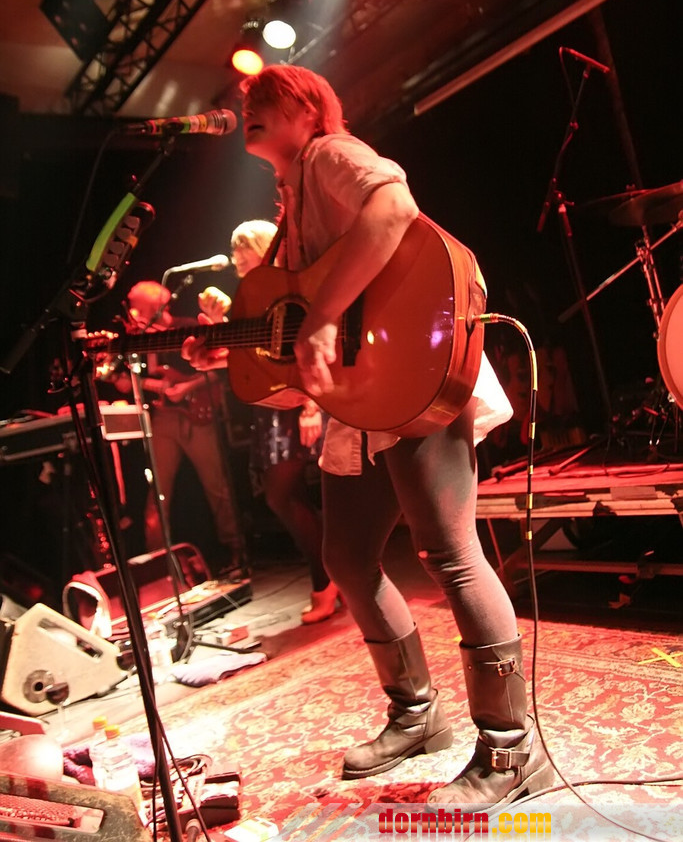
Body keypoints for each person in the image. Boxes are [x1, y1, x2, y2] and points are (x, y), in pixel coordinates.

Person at [182, 65, 553, 811]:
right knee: (348, 557)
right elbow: (302, 328)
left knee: (450, 553)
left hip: (411, 371)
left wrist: (322, 319)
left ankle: (512, 749)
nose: (249, 106)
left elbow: (393, 207)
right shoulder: (290, 202)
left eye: (266, 98)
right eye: (246, 102)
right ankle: (416, 713)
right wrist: (233, 349)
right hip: (362, 396)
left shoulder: (328, 153)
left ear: (308, 109)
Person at [198, 219, 339, 624]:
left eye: (244, 252)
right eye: (235, 255)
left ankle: (328, 582)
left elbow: (303, 343)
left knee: (286, 495)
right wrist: (216, 326)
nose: (237, 260)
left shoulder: (284, 287)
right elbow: (249, 354)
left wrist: (311, 407)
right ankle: (332, 578)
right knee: (287, 496)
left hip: (293, 401)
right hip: (270, 402)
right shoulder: (250, 296)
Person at [111, 280, 247, 580]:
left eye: (139, 309)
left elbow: (222, 370)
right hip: (165, 418)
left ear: (156, 308)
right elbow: (153, 381)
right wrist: (125, 383)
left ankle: (238, 552)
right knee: (158, 493)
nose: (134, 314)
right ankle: (160, 566)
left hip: (197, 416)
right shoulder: (142, 340)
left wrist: (187, 388)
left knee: (217, 487)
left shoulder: (188, 327)